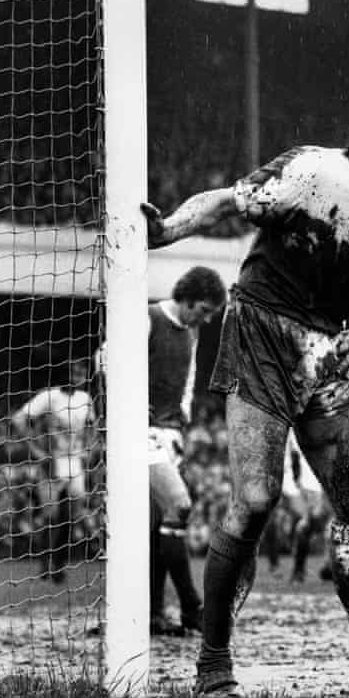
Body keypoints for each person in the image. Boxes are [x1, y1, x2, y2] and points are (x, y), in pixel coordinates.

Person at [142, 81, 349, 698]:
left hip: (328, 346)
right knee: (255, 501)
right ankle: (212, 662)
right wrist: (169, 230)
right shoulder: (312, 173)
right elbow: (227, 201)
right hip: (260, 328)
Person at [96, 266, 226, 635]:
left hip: (168, 435)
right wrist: (128, 402)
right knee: (179, 505)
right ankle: (191, 605)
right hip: (138, 432)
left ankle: (152, 614)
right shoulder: (148, 317)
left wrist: (183, 418)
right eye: (203, 308)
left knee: (155, 527)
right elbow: (104, 359)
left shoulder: (192, 332)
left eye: (211, 312)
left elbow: (187, 381)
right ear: (186, 297)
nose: (206, 316)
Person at [11, 360, 95, 582]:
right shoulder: (49, 397)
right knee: (51, 516)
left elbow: (91, 427)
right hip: (51, 462)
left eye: (81, 372)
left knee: (70, 517)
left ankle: (58, 566)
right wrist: (36, 450)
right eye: (72, 371)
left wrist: (88, 449)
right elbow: (19, 418)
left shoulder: (85, 400)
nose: (76, 375)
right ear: (64, 373)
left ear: (85, 375)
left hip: (75, 462)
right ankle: (44, 566)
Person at [282, 429, 325, 583]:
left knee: (311, 526)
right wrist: (297, 483)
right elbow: (294, 456)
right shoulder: (296, 428)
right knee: (306, 524)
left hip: (317, 486)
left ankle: (303, 568)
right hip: (307, 486)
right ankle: (298, 571)